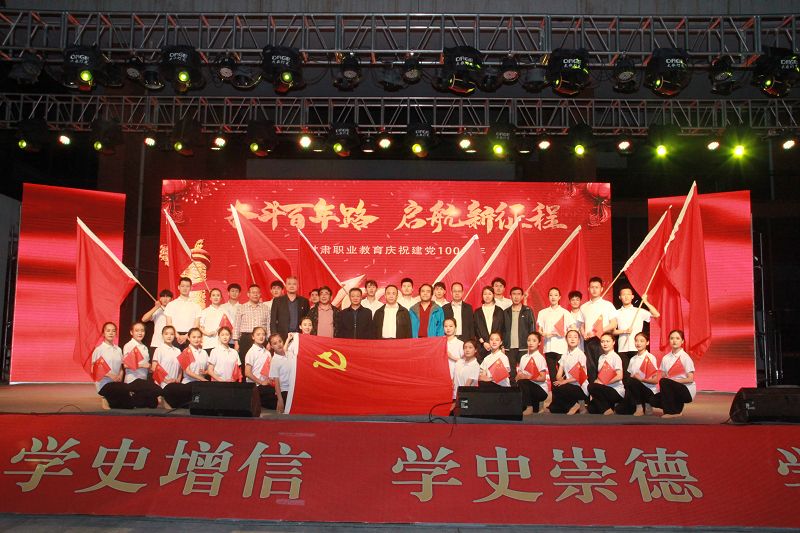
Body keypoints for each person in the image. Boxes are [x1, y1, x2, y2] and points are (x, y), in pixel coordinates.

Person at [613, 287, 660, 378]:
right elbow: (613, 331)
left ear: (632, 296)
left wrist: (645, 301)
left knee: (638, 375)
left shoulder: (639, 311)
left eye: (628, 294)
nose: (626, 296)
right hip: (622, 348)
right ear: (620, 297)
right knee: (626, 376)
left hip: (637, 347)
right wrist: (624, 331)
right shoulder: (616, 313)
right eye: (623, 294)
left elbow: (656, 314)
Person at [579, 277, 618, 382]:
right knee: (590, 367)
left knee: (603, 366)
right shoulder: (584, 307)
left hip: (603, 340)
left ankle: (604, 389)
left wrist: (599, 331)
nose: (594, 289)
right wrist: (583, 333)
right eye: (592, 287)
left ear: (601, 289)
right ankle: (593, 389)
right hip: (589, 341)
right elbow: (582, 325)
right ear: (588, 289)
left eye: (597, 287)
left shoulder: (607, 305)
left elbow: (614, 323)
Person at [651, 329, 696, 418]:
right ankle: (677, 409)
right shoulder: (665, 358)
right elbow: (664, 376)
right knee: (653, 400)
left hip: (686, 390)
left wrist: (673, 381)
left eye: (677, 338)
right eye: (672, 338)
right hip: (672, 389)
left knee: (664, 381)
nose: (674, 341)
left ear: (682, 341)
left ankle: (672, 412)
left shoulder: (685, 357)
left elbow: (690, 379)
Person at [537, 287, 576, 383]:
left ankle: (563, 392)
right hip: (548, 347)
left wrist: (563, 333)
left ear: (559, 297)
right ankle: (555, 392)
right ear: (548, 297)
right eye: (551, 295)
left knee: (563, 374)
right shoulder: (543, 312)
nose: (553, 297)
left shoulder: (565, 312)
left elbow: (573, 328)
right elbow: (539, 330)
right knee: (552, 374)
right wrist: (544, 334)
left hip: (562, 347)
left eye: (555, 295)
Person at [616, 332, 659, 416]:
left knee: (632, 381)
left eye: (642, 341)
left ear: (647, 342)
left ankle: (642, 406)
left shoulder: (650, 357)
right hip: (636, 391)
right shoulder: (633, 359)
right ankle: (638, 404)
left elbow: (655, 380)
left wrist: (641, 379)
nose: (638, 343)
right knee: (620, 410)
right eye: (636, 341)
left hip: (648, 390)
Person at [121, 322, 162, 407]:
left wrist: (150, 368)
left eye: (142, 330)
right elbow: (126, 365)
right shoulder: (129, 345)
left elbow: (146, 365)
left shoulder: (144, 347)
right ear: (131, 332)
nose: (140, 333)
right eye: (137, 331)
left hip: (143, 380)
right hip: (132, 380)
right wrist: (143, 365)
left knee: (152, 403)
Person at [549, 329, 589, 415]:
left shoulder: (580, 354)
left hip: (580, 387)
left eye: (575, 337)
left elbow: (580, 375)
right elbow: (559, 374)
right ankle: (574, 406)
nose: (572, 339)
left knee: (563, 387)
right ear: (566, 340)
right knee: (554, 409)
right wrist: (559, 380)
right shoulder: (564, 355)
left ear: (579, 340)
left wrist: (565, 381)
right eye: (570, 337)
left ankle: (576, 405)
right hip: (569, 386)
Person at [91, 322, 129, 409]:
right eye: (108, 331)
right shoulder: (99, 350)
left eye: (113, 331)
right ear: (103, 333)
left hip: (116, 382)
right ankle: (105, 398)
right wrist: (110, 375)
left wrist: (120, 375)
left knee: (127, 405)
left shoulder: (118, 349)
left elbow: (121, 367)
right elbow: (94, 369)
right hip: (104, 383)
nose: (111, 333)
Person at [233, 284, 271, 369]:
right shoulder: (241, 308)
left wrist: (269, 341)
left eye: (257, 293)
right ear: (248, 294)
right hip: (246, 338)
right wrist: (236, 342)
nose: (255, 294)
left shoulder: (266, 308)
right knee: (245, 362)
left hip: (262, 338)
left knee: (262, 364)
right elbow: (236, 325)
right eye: (253, 292)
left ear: (260, 294)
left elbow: (269, 325)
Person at [587, 333, 625, 415]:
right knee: (591, 408)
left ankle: (607, 408)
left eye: (607, 341)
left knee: (591, 386)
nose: (605, 344)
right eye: (602, 341)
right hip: (604, 389)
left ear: (613, 342)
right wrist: (597, 382)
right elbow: (600, 376)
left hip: (615, 390)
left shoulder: (616, 357)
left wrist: (603, 383)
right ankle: (610, 407)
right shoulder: (601, 357)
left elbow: (619, 376)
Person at [281, 317, 313, 411]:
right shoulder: (296, 340)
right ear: (300, 326)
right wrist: (288, 339)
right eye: (305, 325)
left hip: (310, 370)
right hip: (298, 370)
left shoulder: (315, 340)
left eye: (310, 325)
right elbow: (284, 352)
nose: (307, 327)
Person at [503, 286, 536, 379]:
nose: (516, 297)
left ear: (522, 296)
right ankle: (513, 389)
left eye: (518, 294)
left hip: (524, 347)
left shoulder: (528, 311)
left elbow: (532, 328)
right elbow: (502, 330)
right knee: (511, 373)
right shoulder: (506, 312)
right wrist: (503, 346)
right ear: (510, 296)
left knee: (525, 372)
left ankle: (523, 389)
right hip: (509, 348)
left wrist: (532, 345)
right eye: (514, 294)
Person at [152, 326, 187, 409]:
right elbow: (154, 368)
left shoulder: (178, 350)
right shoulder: (159, 350)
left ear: (174, 336)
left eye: (171, 334)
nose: (169, 336)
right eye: (166, 334)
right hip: (161, 384)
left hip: (174, 385)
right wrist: (166, 381)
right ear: (162, 335)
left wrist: (178, 379)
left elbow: (180, 368)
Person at [516, 332, 549, 415]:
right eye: (529, 340)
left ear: (539, 343)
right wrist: (518, 377)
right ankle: (535, 406)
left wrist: (527, 377)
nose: (531, 343)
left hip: (540, 389)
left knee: (523, 381)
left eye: (534, 340)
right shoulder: (523, 357)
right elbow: (519, 375)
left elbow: (542, 378)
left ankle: (529, 407)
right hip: (527, 389)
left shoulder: (540, 358)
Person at [244, 326, 277, 409]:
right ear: (253, 337)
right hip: (256, 386)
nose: (261, 337)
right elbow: (247, 373)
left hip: (267, 384)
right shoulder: (251, 352)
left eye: (263, 334)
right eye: (258, 334)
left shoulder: (267, 352)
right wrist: (261, 382)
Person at [164, 277, 202, 350]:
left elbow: (196, 325)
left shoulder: (196, 306)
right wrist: (177, 336)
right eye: (182, 286)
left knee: (190, 357)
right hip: (174, 336)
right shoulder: (171, 304)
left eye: (187, 286)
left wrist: (186, 336)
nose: (185, 288)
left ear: (191, 288)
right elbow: (169, 323)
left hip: (191, 337)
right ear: (178, 287)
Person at [270, 276, 310, 341]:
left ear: (298, 286)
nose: (291, 286)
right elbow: (273, 321)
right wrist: (274, 337)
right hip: (282, 337)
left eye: (294, 284)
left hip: (300, 336)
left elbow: (307, 320)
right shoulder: (277, 301)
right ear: (285, 286)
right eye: (289, 284)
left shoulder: (304, 301)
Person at [474, 286, 505, 362]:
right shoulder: (477, 312)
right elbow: (476, 329)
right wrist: (483, 342)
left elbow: (503, 329)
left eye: (489, 294)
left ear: (493, 295)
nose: (487, 296)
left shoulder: (499, 311)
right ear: (482, 296)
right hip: (482, 346)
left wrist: (502, 346)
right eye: (485, 294)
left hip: (496, 346)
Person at [199, 288, 230, 353]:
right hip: (208, 344)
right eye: (213, 295)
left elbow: (230, 326)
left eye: (218, 295)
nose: (216, 297)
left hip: (222, 345)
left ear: (221, 298)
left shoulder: (225, 311)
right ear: (210, 298)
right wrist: (208, 333)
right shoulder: (205, 311)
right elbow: (200, 326)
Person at [268, 333, 292, 414]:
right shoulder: (275, 361)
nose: (278, 344)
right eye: (275, 343)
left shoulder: (290, 354)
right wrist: (280, 399)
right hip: (284, 390)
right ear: (271, 346)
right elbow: (276, 382)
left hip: (294, 388)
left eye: (280, 341)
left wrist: (289, 338)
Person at [444, 318, 464, 386]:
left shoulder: (460, 343)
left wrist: (452, 357)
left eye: (451, 326)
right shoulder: (440, 342)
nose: (448, 328)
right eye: (446, 326)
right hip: (442, 375)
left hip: (455, 376)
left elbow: (465, 362)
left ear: (455, 328)